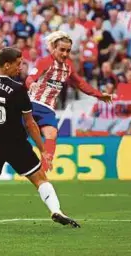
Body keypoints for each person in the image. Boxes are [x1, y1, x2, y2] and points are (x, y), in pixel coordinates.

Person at [0, 47, 80, 228]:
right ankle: (56, 210)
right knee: (40, 178)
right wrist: (43, 149)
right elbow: (30, 123)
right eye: (18, 64)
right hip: (17, 144)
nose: (21, 68)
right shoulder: (18, 89)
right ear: (7, 64)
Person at [25, 31, 112, 172]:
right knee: (13, 136)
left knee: (52, 134)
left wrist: (99, 95)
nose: (65, 54)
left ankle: (44, 168)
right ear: (54, 48)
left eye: (68, 51)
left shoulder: (68, 67)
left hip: (48, 108)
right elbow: (30, 78)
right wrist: (31, 84)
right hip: (32, 104)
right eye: (62, 50)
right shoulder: (44, 62)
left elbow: (81, 84)